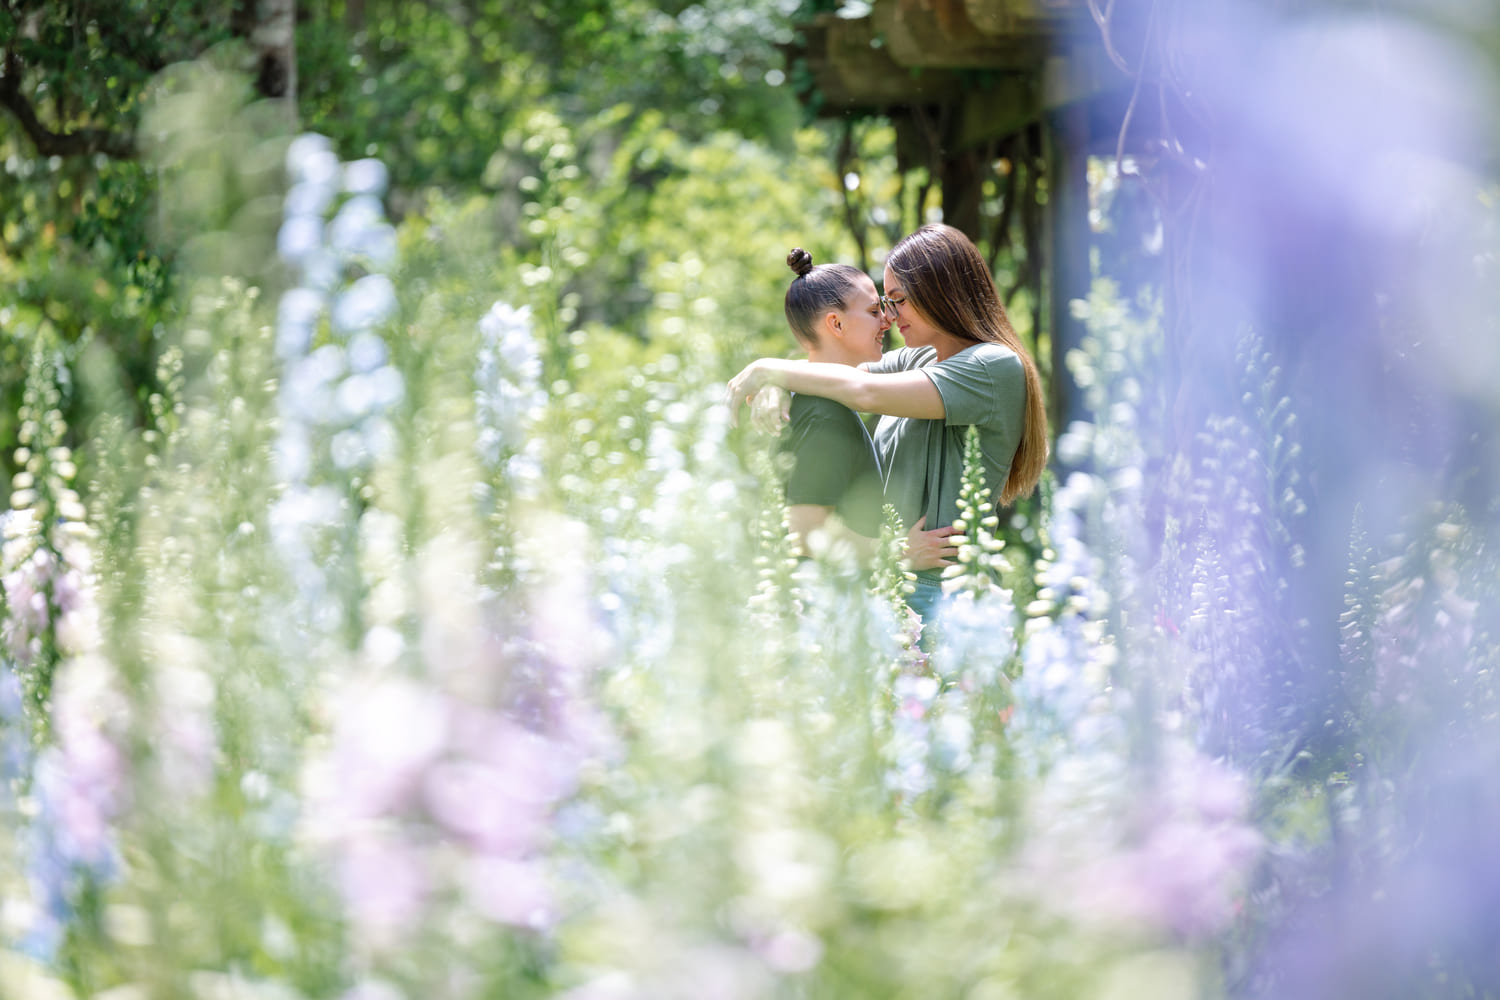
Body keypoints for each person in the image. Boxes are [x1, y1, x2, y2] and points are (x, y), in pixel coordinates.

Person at [727, 223, 1049, 623]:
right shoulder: (922, 359)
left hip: (939, 594)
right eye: (884, 303)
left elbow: (863, 391)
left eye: (898, 301)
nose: (891, 317)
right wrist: (776, 382)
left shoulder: (992, 367)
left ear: (940, 293)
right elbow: (832, 370)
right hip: (892, 585)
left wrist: (765, 369)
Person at [773, 247, 887, 562]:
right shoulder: (824, 414)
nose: (887, 320)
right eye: (874, 311)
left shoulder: (822, 405)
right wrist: (900, 553)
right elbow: (807, 537)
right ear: (836, 324)